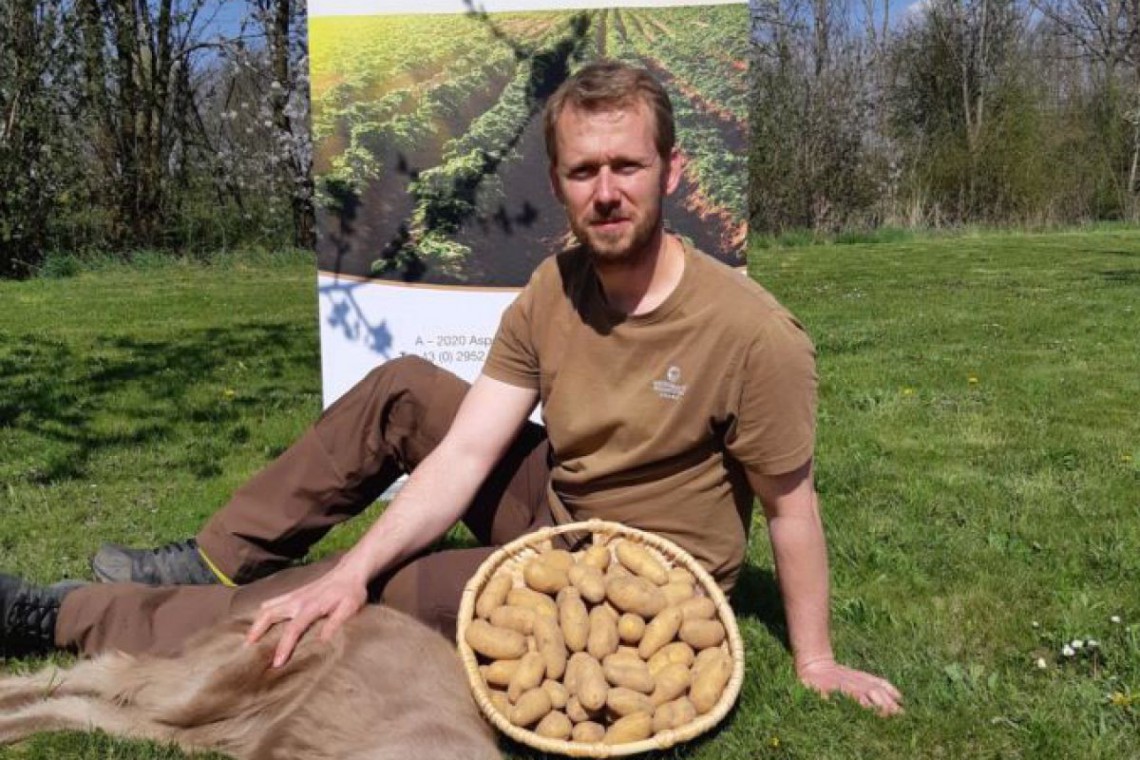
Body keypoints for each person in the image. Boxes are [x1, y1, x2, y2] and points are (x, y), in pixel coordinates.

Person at [0, 60, 902, 715]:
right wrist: (355, 563)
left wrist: (815, 661)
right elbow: (468, 448)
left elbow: (791, 505)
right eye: (585, 172)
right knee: (402, 396)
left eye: (626, 166)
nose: (608, 192)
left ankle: (71, 616)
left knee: (393, 598)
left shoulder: (751, 332)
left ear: (669, 172)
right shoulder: (554, 289)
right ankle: (210, 559)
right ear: (558, 184)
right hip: (564, 503)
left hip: (635, 580)